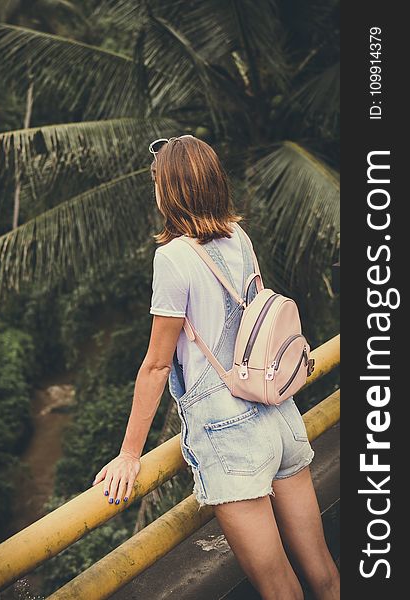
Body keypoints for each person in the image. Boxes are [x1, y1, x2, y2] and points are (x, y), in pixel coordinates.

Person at [92, 135, 340, 599]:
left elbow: (156, 365)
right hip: (280, 414)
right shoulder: (238, 237)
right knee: (325, 574)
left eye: (156, 182)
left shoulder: (172, 259)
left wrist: (129, 454)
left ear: (170, 190)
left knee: (281, 590)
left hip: (230, 435)